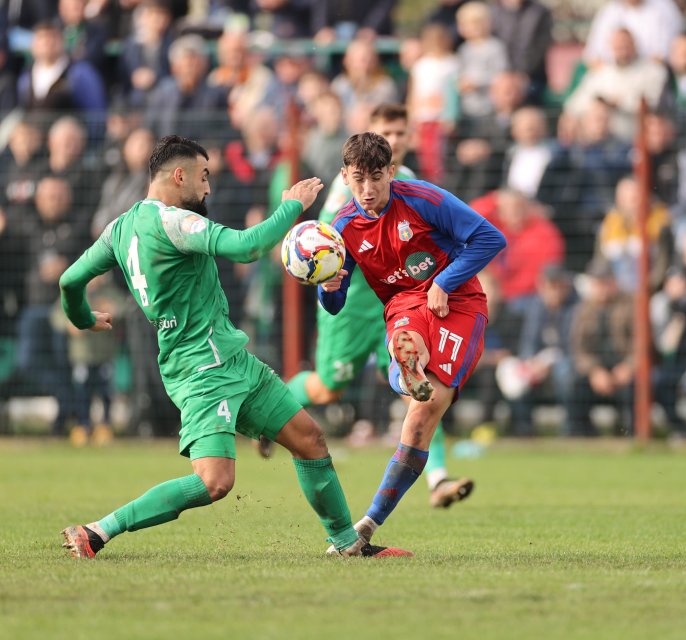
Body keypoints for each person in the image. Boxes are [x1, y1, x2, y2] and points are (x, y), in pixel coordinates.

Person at [59, 135, 408, 560]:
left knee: (310, 439)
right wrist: (293, 206)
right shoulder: (176, 223)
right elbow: (249, 248)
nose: (208, 188)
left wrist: (82, 318)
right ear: (179, 175)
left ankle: (347, 544)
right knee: (214, 482)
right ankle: (97, 531)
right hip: (201, 371)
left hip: (234, 360)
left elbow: (70, 281)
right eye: (204, 177)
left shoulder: (118, 228)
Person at [318, 132, 506, 548]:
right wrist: (328, 286)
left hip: (459, 301)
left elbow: (491, 238)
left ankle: (368, 523)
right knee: (406, 339)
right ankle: (405, 371)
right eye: (357, 180)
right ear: (344, 177)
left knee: (426, 413)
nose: (367, 190)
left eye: (375, 178)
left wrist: (445, 279)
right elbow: (333, 304)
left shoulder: (424, 199)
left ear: (390, 172)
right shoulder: (343, 227)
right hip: (404, 302)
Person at [287, 104, 477, 509]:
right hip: (355, 302)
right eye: (385, 132)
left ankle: (437, 478)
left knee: (420, 382)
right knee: (327, 388)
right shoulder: (352, 192)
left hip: (400, 300)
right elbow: (328, 248)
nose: (394, 140)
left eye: (401, 133)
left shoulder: (407, 182)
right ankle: (276, 407)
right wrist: (328, 282)